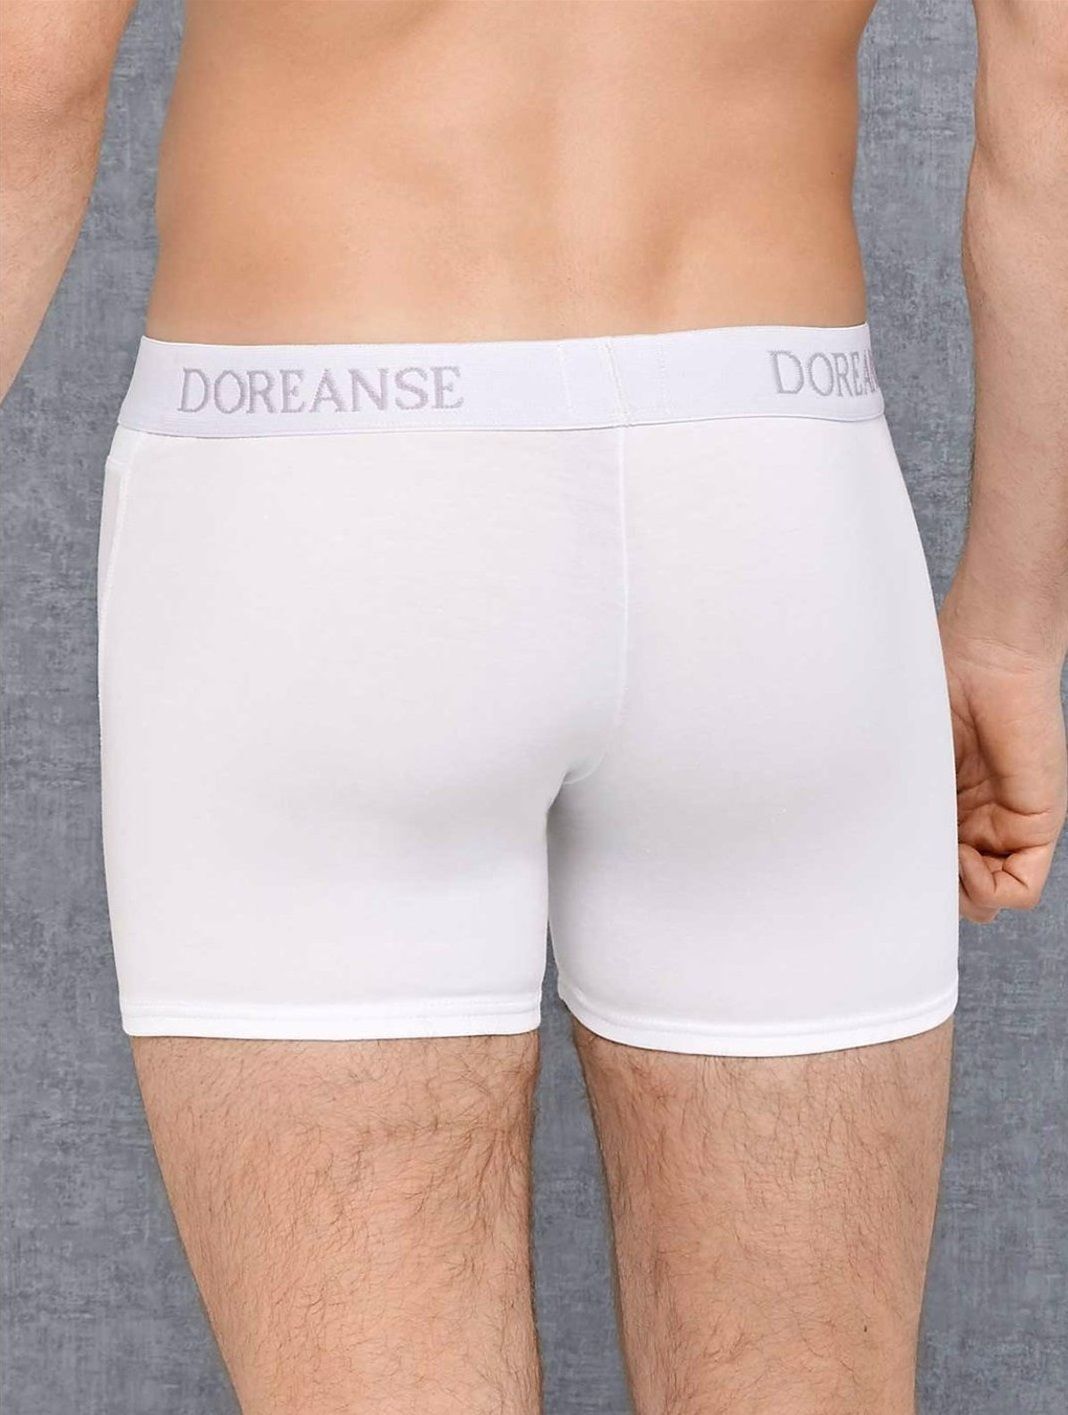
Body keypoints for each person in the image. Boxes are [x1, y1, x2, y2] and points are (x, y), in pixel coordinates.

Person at [2, 2, 1065, 1411]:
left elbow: (31, 75)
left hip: (320, 480)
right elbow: (1051, 82)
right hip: (772, 485)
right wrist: (1012, 626)